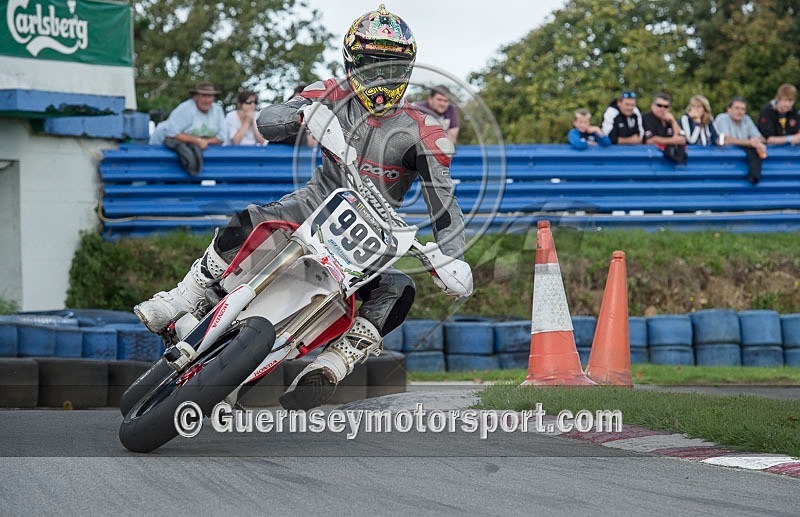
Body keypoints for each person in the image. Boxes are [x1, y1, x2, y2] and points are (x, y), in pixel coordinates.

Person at [134, 5, 471, 410]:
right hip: (310, 208)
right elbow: (267, 121)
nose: (381, 79)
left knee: (400, 289)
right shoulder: (329, 94)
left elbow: (444, 204)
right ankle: (183, 297)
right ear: (351, 63)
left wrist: (454, 257)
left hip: (370, 237)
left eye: (393, 68)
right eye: (372, 65)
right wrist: (300, 114)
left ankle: (335, 363)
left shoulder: (423, 130)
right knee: (248, 219)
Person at [149, 82, 228, 175]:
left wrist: (205, 141)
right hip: (160, 149)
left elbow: (222, 137)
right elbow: (171, 133)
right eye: (203, 96)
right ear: (195, 97)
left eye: (210, 96)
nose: (207, 100)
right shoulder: (185, 108)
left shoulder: (217, 110)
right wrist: (197, 140)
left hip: (192, 151)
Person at [715, 96, 767, 185]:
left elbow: (761, 138)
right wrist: (749, 142)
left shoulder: (746, 119)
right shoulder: (722, 118)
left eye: (743, 109)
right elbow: (725, 139)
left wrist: (757, 143)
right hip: (724, 161)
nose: (740, 112)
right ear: (729, 109)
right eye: (737, 108)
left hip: (743, 158)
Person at [642, 93, 687, 164]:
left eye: (666, 106)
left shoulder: (669, 119)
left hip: (669, 161)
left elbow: (681, 139)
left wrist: (673, 121)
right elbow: (650, 140)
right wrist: (673, 140)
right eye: (659, 105)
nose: (662, 109)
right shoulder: (647, 118)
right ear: (652, 105)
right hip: (650, 159)